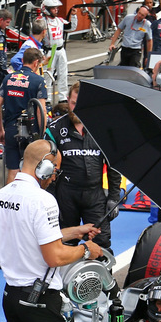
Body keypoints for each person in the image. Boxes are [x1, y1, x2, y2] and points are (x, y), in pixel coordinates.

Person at [0, 139, 102, 322]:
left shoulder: (2, 195)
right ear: (43, 166)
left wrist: (73, 232)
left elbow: (29, 235)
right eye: (55, 170)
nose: (55, 176)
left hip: (13, 296)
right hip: (42, 302)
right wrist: (86, 250)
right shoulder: (43, 200)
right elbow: (54, 257)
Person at [47, 83, 119, 250]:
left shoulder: (104, 128)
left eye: (80, 104)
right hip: (65, 195)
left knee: (101, 244)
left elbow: (113, 166)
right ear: (67, 101)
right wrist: (49, 200)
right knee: (63, 244)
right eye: (72, 103)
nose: (76, 108)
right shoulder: (55, 129)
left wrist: (114, 197)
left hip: (95, 196)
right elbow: (47, 166)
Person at [0, 47, 48, 178]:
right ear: (36, 63)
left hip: (10, 130)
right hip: (31, 131)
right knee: (31, 172)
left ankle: (10, 199)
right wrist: (43, 133)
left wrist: (0, 131)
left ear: (23, 60)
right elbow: (42, 110)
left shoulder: (8, 78)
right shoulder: (39, 81)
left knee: (13, 172)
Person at [40, 0, 70, 102]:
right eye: (53, 8)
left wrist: (74, 16)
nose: (56, 10)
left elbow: (71, 27)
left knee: (63, 74)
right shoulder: (41, 21)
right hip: (50, 51)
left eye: (57, 8)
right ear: (46, 9)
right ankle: (47, 99)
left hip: (61, 50)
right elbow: (37, 36)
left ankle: (63, 98)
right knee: (48, 75)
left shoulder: (60, 20)